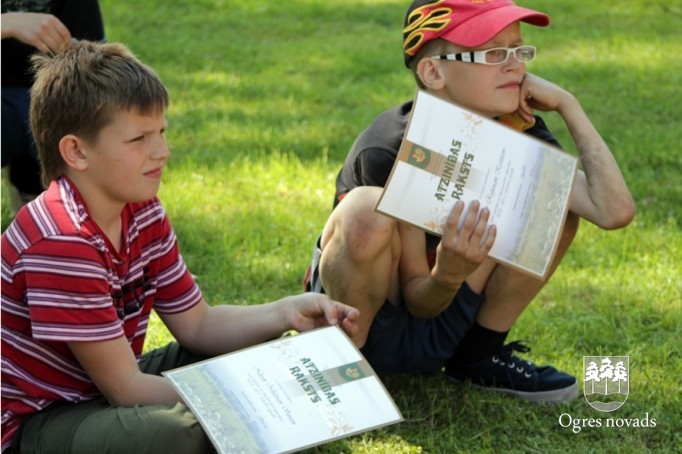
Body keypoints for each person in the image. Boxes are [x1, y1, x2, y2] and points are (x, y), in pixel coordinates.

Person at [0, 41, 360, 453]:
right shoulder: (60, 240)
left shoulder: (142, 209)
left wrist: (286, 311)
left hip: (104, 389)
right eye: (139, 139)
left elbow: (199, 325)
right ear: (76, 151)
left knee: (255, 349)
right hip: (37, 421)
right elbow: (125, 389)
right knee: (175, 434)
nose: (162, 152)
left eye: (162, 132)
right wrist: (250, 398)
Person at [304, 0, 635, 404]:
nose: (515, 65)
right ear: (433, 71)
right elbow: (415, 298)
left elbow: (613, 210)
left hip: (445, 308)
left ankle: (476, 359)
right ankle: (339, 366)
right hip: (371, 315)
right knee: (363, 209)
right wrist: (447, 272)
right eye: (494, 53)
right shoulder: (388, 148)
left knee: (555, 203)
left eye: (520, 51)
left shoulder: (518, 130)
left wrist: (570, 106)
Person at [1, 0, 105, 216]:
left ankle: (43, 204)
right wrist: (6, 24)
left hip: (49, 94)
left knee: (92, 114)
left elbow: (98, 68)